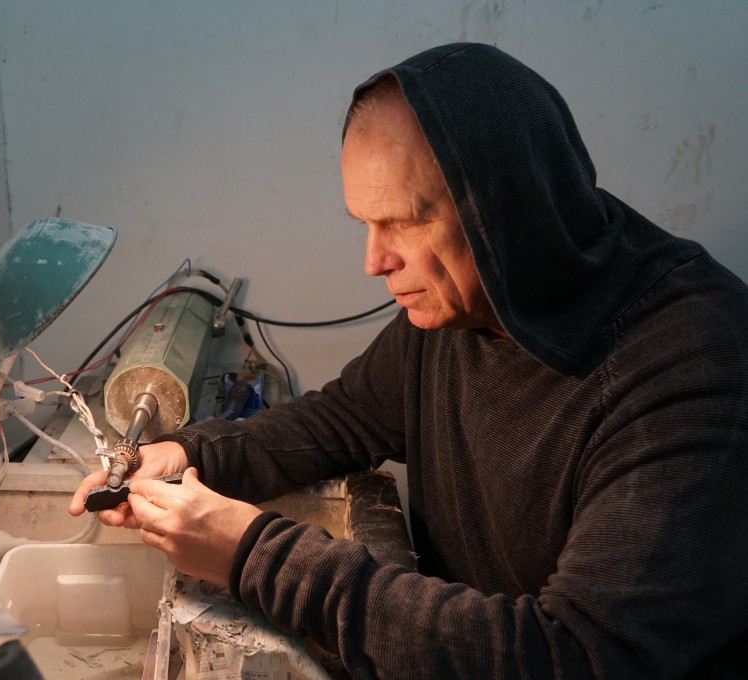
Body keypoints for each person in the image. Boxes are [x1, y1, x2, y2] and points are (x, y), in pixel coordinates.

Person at [69, 43, 748, 678]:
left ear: (505, 211)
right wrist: (192, 455)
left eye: (404, 222)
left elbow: (575, 655)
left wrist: (253, 554)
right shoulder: (467, 303)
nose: (374, 261)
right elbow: (343, 419)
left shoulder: (690, 361)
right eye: (364, 224)